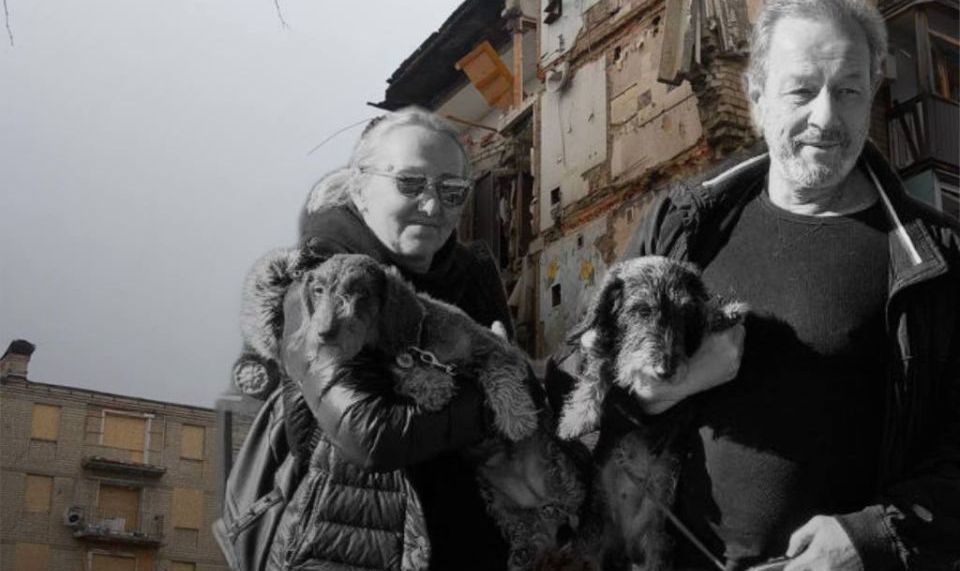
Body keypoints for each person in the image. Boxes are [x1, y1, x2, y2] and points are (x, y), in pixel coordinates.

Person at [552, 0, 960, 568]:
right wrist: (659, 390)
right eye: (801, 91)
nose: (826, 117)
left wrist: (874, 536)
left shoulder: (935, 257)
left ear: (872, 94)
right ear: (757, 97)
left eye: (848, 90)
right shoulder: (683, 225)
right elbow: (572, 377)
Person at [216, 108, 527, 570]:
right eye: (410, 183)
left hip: (472, 547)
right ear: (360, 188)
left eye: (452, 190)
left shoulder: (472, 282)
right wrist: (494, 395)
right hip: (348, 549)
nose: (432, 206)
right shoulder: (320, 285)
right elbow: (369, 436)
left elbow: (519, 424)